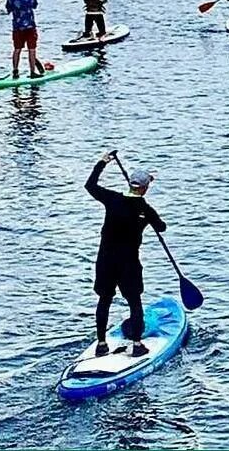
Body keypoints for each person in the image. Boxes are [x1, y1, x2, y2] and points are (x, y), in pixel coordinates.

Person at [86, 152, 165, 359]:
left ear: (130, 185)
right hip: (128, 264)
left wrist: (102, 162)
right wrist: (147, 217)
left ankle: (101, 344)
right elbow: (162, 227)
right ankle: (137, 344)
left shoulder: (112, 199)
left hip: (105, 261)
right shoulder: (145, 209)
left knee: (104, 299)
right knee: (134, 302)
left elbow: (90, 185)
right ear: (145, 188)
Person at [6, 0, 40, 79]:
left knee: (17, 49)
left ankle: (15, 71)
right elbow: (34, 6)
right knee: (32, 50)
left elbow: (8, 9)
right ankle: (32, 72)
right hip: (30, 27)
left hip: (17, 28)